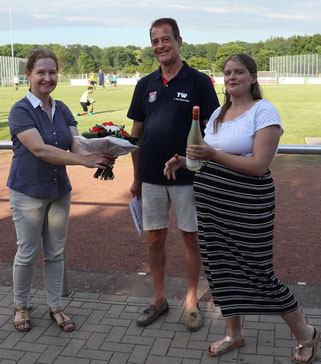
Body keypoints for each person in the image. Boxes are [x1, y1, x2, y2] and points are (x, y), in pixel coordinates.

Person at [164, 53, 320, 363]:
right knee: (220, 271)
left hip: (247, 207)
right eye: (227, 72)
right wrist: (184, 161)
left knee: (258, 272)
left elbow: (259, 166)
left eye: (239, 72)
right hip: (212, 208)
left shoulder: (264, 111)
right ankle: (234, 334)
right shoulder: (219, 113)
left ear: (253, 77)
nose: (232, 77)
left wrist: (211, 154)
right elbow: (207, 155)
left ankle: (307, 334)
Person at [7, 49, 114, 333]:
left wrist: (104, 150)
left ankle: (55, 306)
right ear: (28, 75)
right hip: (28, 191)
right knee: (27, 252)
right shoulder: (20, 110)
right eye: (40, 72)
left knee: (55, 253)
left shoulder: (63, 108)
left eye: (52, 72)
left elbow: (76, 142)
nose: (47, 77)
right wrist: (83, 161)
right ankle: (20, 306)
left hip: (58, 191)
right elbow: (40, 149)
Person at [127, 18, 220, 331]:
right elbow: (135, 136)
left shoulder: (199, 82)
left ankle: (191, 300)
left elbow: (214, 131)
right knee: (155, 239)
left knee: (191, 239)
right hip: (152, 178)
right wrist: (137, 177)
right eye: (155, 41)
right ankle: (159, 298)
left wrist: (197, 161)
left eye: (165, 39)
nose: (160, 46)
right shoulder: (145, 84)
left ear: (179, 41)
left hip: (188, 177)